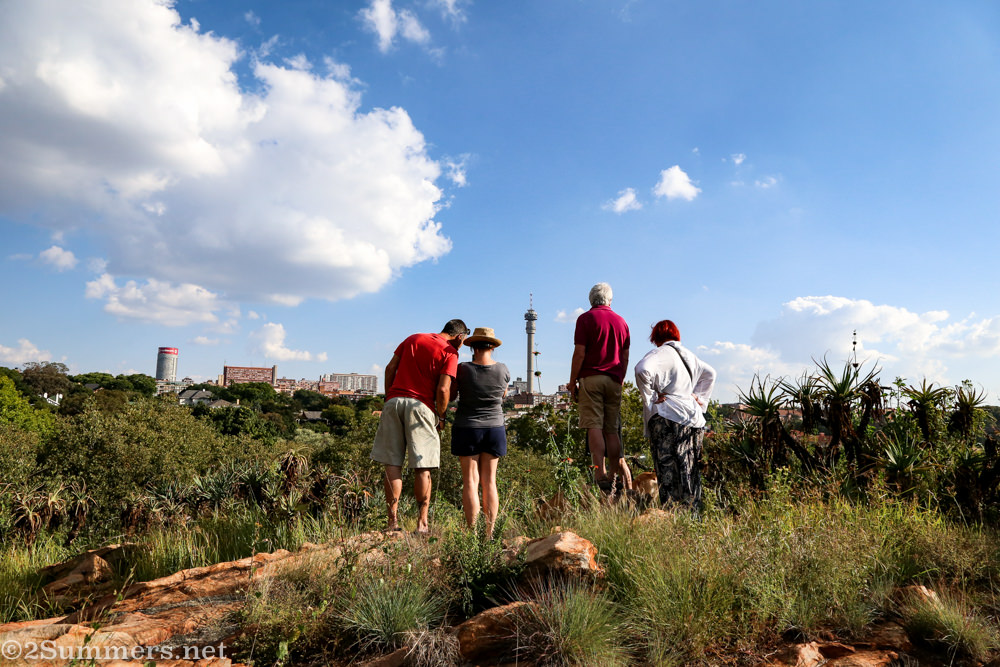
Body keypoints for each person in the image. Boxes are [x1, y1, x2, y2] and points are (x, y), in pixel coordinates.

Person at [371, 319, 470, 533]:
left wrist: (389, 397)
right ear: (460, 337)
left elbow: (390, 369)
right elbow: (444, 390)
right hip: (421, 406)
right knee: (422, 467)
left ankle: (392, 523)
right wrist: (441, 417)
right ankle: (422, 523)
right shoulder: (450, 352)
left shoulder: (413, 338)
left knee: (392, 464)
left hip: (394, 402)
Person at [634, 319, 716, 509]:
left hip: (667, 416)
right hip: (693, 420)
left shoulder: (659, 353)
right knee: (690, 471)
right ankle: (693, 517)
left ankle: (672, 517)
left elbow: (642, 369)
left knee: (667, 472)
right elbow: (711, 374)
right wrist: (698, 398)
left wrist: (651, 398)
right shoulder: (690, 356)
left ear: (655, 337)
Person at [568, 282, 633, 494]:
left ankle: (600, 473)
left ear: (590, 300)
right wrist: (620, 377)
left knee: (593, 425)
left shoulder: (585, 319)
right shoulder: (622, 322)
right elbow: (624, 356)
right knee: (612, 428)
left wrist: (572, 382)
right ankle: (614, 474)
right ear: (610, 300)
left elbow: (579, 353)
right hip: (614, 379)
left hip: (591, 377)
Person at [450, 327, 510, 536]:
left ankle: (472, 535)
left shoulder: (463, 369)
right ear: (492, 346)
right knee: (490, 481)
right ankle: (489, 533)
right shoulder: (503, 369)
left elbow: (452, 394)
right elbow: (503, 395)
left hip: (467, 427)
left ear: (473, 347)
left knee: (470, 481)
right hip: (495, 427)